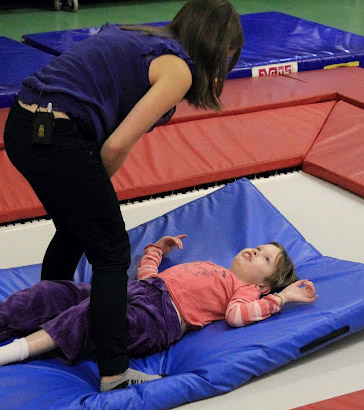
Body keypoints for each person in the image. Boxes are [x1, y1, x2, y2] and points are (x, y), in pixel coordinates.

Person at [3, 0, 244, 391]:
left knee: (75, 228)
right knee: (112, 250)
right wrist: (96, 191)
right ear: (217, 47)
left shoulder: (139, 34)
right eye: (228, 57)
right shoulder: (178, 69)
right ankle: (115, 371)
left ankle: (47, 318)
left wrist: (90, 195)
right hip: (58, 135)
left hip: (22, 127)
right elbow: (115, 147)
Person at [0, 235, 318, 390]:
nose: (254, 251)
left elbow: (237, 316)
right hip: (133, 293)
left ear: (264, 285)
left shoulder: (244, 290)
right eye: (259, 247)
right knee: (53, 292)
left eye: (264, 259)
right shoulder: (210, 266)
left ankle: (14, 352)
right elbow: (149, 278)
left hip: (156, 320)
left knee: (92, 313)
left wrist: (283, 298)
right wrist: (156, 251)